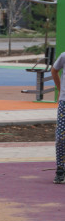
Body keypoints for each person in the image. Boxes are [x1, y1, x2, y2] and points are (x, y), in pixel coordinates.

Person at [51, 52, 65, 184]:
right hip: (64, 102)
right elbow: (54, 70)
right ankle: (61, 168)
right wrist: (60, 88)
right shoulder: (64, 56)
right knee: (61, 137)